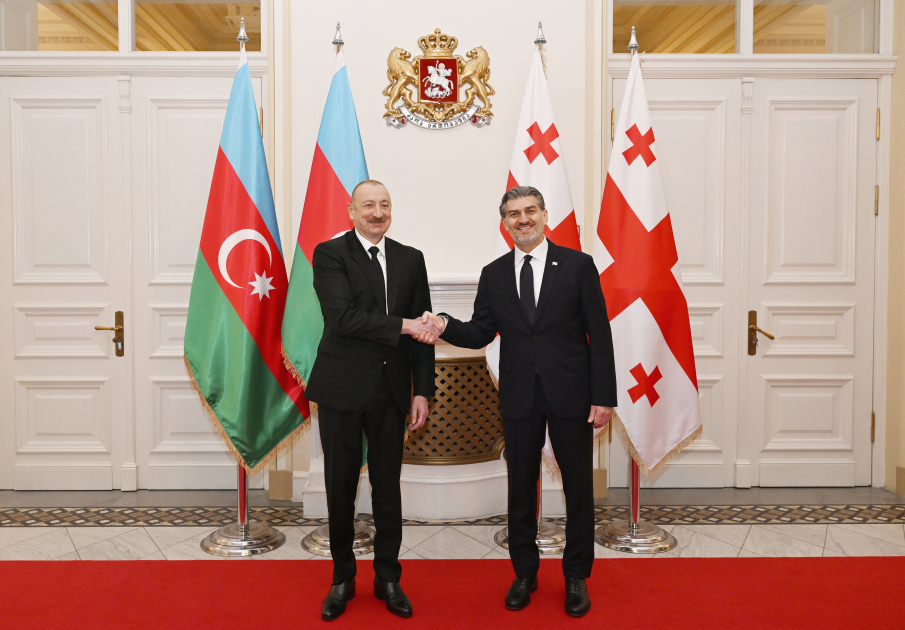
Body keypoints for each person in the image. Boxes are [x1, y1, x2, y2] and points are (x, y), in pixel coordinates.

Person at [419, 185, 616, 617]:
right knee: (521, 489)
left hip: (572, 395)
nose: (522, 219)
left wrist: (604, 396)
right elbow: (479, 332)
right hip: (518, 396)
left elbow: (599, 334)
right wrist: (444, 323)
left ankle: (576, 575)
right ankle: (524, 573)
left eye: (530, 210)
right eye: (513, 213)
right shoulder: (494, 274)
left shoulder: (578, 265)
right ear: (504, 222)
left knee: (578, 488)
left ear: (545, 215)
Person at [306, 180, 443, 621]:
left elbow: (424, 332)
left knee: (387, 489)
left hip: (392, 392)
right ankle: (342, 579)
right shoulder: (330, 254)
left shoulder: (410, 258)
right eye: (368, 205)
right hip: (342, 389)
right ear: (351, 211)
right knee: (340, 486)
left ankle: (388, 577)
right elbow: (343, 318)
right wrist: (405, 325)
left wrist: (422, 390)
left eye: (384, 204)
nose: (377, 212)